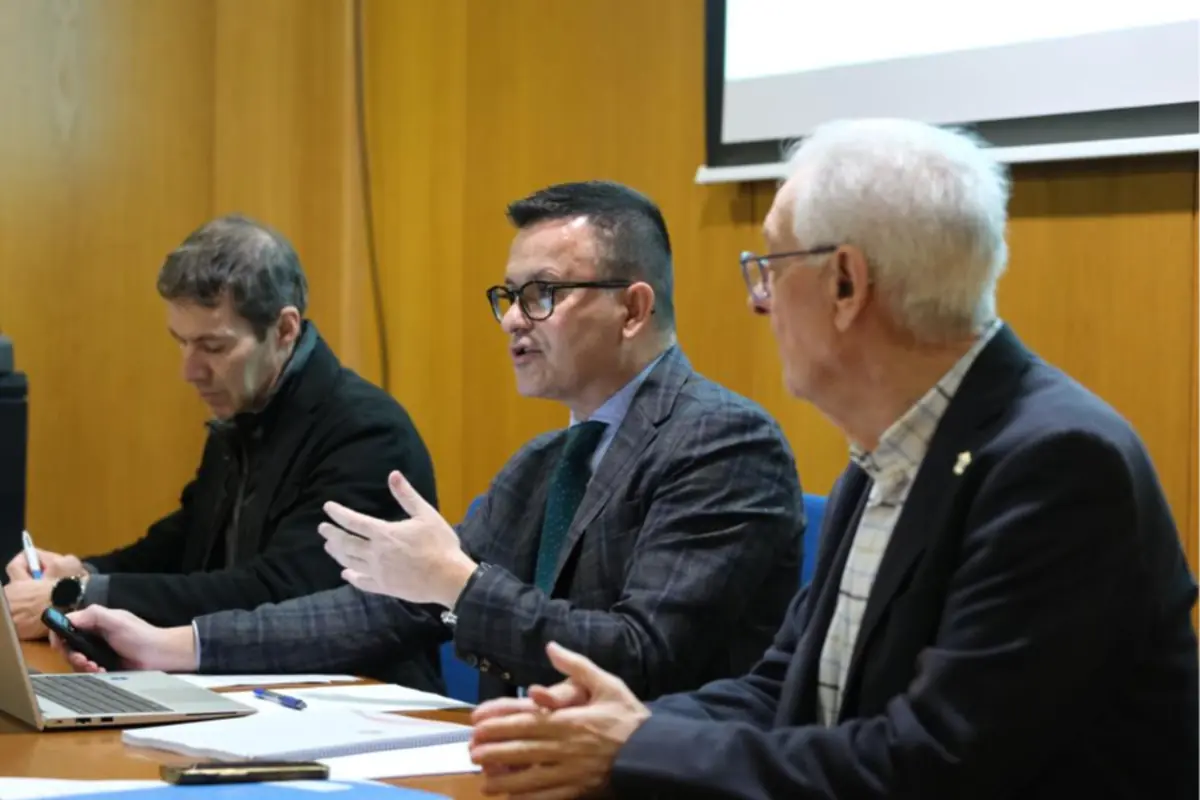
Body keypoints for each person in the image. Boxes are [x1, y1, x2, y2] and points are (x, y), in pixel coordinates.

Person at [465, 120, 1200, 799]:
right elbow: (786, 689)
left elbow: (933, 764)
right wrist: (619, 729)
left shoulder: (1057, 465)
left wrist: (635, 750)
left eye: (771, 267)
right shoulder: (890, 448)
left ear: (845, 283)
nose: (760, 304)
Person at [56, 181, 805, 701]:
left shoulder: (721, 441)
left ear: (633, 309)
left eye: (540, 295)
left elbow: (641, 655)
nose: (513, 318)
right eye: (507, 297)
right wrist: (178, 645)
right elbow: (386, 608)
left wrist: (458, 583)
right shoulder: (543, 464)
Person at [7, 215, 438, 679]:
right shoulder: (247, 411)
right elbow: (184, 543)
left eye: (212, 346)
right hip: (248, 688)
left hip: (364, 710)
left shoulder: (367, 434)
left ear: (284, 329)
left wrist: (80, 593)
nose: (190, 370)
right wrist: (79, 569)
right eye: (181, 342)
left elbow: (277, 591)